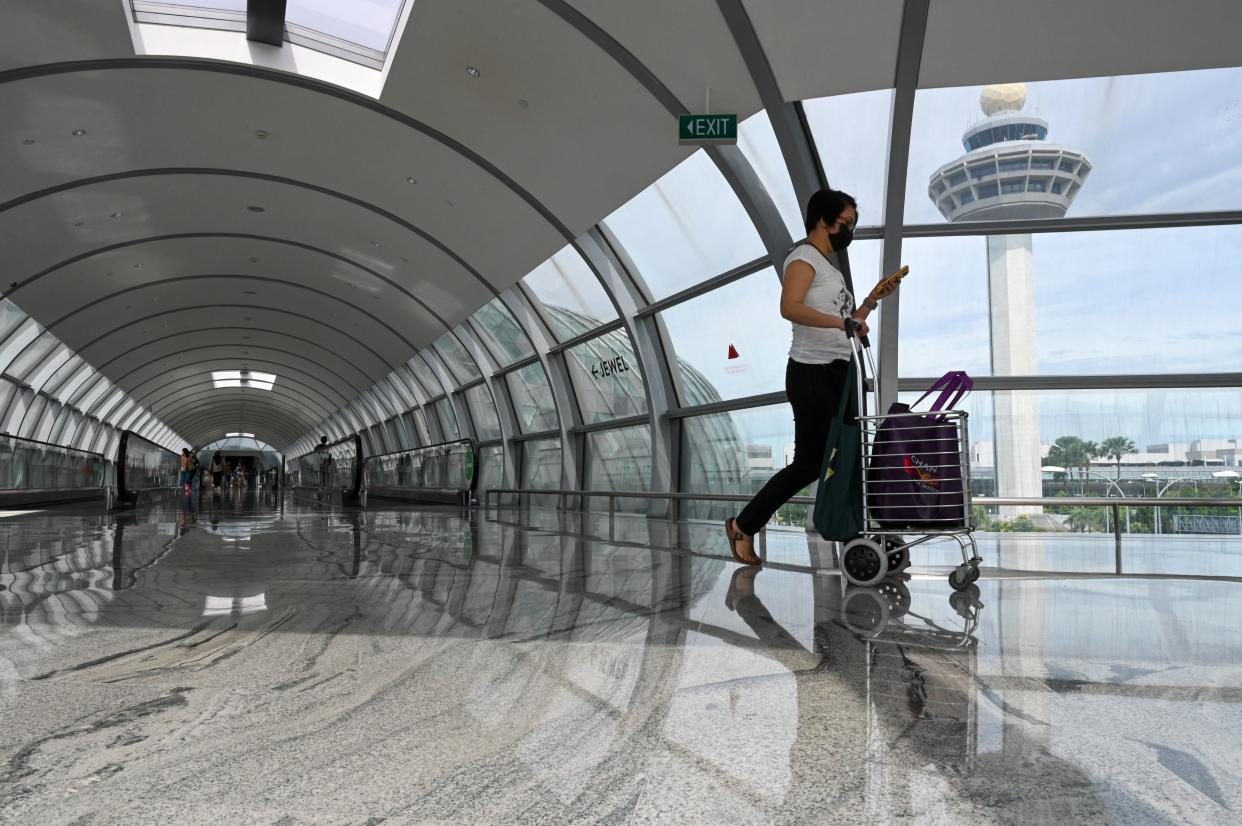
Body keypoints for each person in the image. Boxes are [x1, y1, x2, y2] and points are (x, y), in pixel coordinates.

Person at [724, 189, 898, 566]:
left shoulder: (830, 268)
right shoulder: (803, 258)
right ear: (824, 219)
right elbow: (790, 307)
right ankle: (743, 524)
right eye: (846, 222)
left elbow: (846, 324)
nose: (849, 229)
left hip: (840, 370)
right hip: (810, 372)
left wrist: (869, 301)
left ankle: (855, 534)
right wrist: (844, 321)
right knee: (809, 462)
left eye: (852, 223)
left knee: (849, 454)